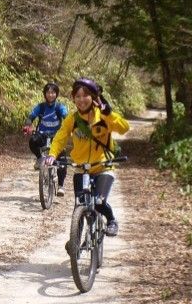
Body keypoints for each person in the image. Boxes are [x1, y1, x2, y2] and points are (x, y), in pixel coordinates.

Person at [45, 77, 129, 237]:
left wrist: (109, 114)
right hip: (81, 169)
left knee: (99, 201)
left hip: (103, 167)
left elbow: (124, 128)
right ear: (73, 98)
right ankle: (76, 240)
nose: (81, 99)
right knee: (80, 205)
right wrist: (52, 154)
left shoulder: (103, 116)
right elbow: (60, 137)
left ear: (93, 97)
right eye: (77, 96)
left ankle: (111, 220)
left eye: (85, 95)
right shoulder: (73, 119)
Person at [22, 82, 69, 195]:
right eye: (48, 92)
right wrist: (27, 125)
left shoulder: (59, 107)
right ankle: (39, 158)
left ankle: (61, 186)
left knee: (62, 160)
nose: (50, 95)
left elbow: (66, 117)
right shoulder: (41, 107)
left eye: (53, 92)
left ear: (56, 94)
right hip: (42, 134)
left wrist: (69, 126)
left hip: (56, 137)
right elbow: (31, 116)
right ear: (44, 94)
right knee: (33, 141)